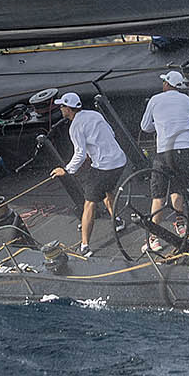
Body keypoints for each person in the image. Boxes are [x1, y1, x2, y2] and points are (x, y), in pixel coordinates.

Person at [49, 92, 128, 257]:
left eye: (62, 106)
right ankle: (117, 220)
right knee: (106, 190)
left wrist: (66, 170)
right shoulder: (94, 114)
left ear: (68, 109)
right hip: (120, 161)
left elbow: (80, 154)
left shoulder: (75, 127)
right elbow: (111, 133)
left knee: (89, 203)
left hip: (104, 167)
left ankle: (85, 246)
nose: (60, 109)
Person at [139, 70, 189, 254]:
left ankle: (153, 239)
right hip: (185, 151)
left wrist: (160, 125)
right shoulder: (187, 100)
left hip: (165, 152)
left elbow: (145, 127)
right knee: (177, 189)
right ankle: (181, 224)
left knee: (158, 196)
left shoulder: (155, 99)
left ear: (167, 85)